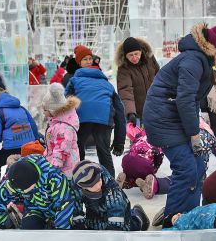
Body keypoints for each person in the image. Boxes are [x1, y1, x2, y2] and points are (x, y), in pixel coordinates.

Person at [143, 20, 216, 228]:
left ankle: (189, 215)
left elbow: (194, 98)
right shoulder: (193, 60)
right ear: (214, 47)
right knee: (187, 169)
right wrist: (194, 134)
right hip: (163, 119)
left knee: (198, 166)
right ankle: (174, 220)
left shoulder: (202, 61)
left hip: (174, 117)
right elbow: (185, 99)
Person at [65, 45, 126, 177]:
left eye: (89, 59)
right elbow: (120, 111)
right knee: (104, 152)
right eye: (85, 59)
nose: (88, 61)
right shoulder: (107, 83)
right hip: (104, 118)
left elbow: (66, 102)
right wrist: (119, 142)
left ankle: (78, 181)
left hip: (81, 118)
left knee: (78, 151)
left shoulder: (74, 80)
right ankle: (110, 185)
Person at [0, 154, 80, 229]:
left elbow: (64, 204)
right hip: (35, 208)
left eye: (27, 188)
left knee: (73, 226)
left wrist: (60, 231)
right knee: (28, 227)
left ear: (35, 182)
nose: (24, 192)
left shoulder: (54, 178)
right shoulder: (15, 179)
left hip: (57, 209)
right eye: (21, 190)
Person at [0, 83, 38, 186]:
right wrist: (37, 142)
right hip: (29, 146)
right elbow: (33, 126)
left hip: (12, 148)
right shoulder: (21, 108)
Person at [72, 160, 150, 231]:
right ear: (83, 187)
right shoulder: (77, 187)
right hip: (94, 215)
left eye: (98, 180)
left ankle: (138, 215)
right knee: (94, 227)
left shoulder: (110, 186)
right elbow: (76, 206)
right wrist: (79, 226)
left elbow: (117, 208)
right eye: (92, 185)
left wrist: (112, 232)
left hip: (119, 213)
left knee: (130, 227)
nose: (98, 186)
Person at [115, 37, 160, 125]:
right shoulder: (123, 69)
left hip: (155, 108)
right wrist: (130, 112)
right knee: (138, 138)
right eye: (130, 55)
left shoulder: (150, 59)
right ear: (125, 55)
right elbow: (125, 90)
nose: (134, 57)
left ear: (141, 51)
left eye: (136, 54)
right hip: (137, 112)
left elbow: (160, 78)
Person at [42, 82, 81, 175]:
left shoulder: (64, 127)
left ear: (53, 110)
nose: (43, 113)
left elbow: (62, 149)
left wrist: (54, 168)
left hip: (65, 169)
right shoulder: (55, 123)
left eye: (45, 110)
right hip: (57, 166)